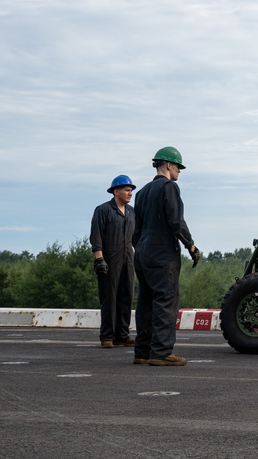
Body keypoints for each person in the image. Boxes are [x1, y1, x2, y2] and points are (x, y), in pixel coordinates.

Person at [132, 147, 201, 366]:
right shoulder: (169, 188)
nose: (179, 171)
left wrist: (142, 248)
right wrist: (190, 245)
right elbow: (175, 221)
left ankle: (142, 352)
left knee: (145, 302)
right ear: (169, 165)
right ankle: (161, 352)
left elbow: (136, 229)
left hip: (142, 252)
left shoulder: (142, 192)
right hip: (163, 254)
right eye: (178, 167)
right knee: (165, 301)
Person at [90, 174, 136, 349]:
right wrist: (99, 258)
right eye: (126, 189)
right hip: (109, 258)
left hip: (128, 258)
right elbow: (96, 235)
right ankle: (107, 336)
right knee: (109, 297)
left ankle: (122, 335)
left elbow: (136, 237)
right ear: (116, 191)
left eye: (131, 190)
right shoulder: (103, 210)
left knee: (126, 295)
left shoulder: (132, 212)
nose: (129, 192)